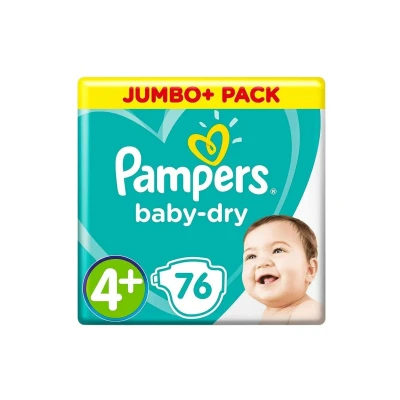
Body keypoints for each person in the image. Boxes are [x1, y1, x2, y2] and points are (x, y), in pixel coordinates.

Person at [242, 215, 323, 324]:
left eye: (277, 250)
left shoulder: (308, 311)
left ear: (310, 270)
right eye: (251, 256)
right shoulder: (268, 314)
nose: (261, 263)